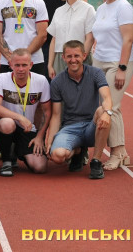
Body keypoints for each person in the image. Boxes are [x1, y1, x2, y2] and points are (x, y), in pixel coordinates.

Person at [45, 40, 112, 180]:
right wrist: (50, 140)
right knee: (57, 156)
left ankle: (96, 162)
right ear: (63, 57)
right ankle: (77, 151)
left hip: (91, 126)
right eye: (69, 56)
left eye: (76, 56)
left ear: (84, 56)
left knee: (103, 111)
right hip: (70, 127)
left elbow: (106, 98)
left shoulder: (96, 73)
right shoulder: (57, 82)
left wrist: (107, 113)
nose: (73, 60)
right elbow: (56, 115)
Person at [90, 0, 133, 170]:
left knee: (111, 106)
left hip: (117, 62)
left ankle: (117, 153)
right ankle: (121, 152)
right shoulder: (101, 8)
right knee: (104, 107)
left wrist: (122, 68)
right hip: (99, 60)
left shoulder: (124, 7)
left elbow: (128, 39)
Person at [0, 49, 51, 176]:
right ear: (10, 65)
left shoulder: (41, 81)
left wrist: (40, 137)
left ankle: (16, 149)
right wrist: (19, 118)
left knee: (40, 167)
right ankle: (7, 160)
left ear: (31, 65)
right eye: (17, 65)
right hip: (5, 124)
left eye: (24, 65)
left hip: (27, 129)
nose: (20, 69)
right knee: (8, 124)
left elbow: (47, 112)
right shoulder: (1, 78)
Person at [46, 0, 95, 79]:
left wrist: (80, 59)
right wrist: (50, 65)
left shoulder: (88, 9)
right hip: (60, 59)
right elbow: (54, 40)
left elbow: (90, 39)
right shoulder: (58, 11)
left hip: (80, 59)